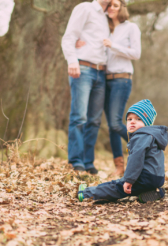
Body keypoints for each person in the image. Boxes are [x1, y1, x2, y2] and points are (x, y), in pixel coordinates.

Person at [76, 0, 141, 177]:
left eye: (115, 5)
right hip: (104, 79)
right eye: (109, 5)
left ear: (122, 8)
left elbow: (136, 53)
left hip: (122, 79)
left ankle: (143, 142)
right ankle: (119, 166)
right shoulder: (106, 28)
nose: (111, 8)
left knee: (114, 122)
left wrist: (114, 46)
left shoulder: (131, 27)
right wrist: (78, 42)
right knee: (110, 126)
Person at [77, 99, 168, 203]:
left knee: (117, 187)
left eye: (138, 119)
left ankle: (86, 194)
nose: (133, 121)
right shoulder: (152, 136)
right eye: (129, 119)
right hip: (157, 178)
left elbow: (136, 159)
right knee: (133, 185)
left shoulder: (141, 136)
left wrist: (129, 180)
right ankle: (155, 192)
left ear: (147, 123)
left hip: (145, 176)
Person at [62, 0, 111, 174]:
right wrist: (72, 61)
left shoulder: (109, 17)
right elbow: (69, 37)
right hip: (82, 69)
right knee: (79, 117)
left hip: (101, 72)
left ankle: (88, 162)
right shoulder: (85, 8)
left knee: (95, 121)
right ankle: (76, 161)